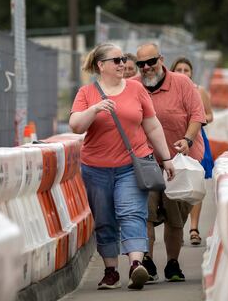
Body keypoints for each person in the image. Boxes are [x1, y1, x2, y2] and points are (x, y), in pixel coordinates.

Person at [69, 43, 175, 291]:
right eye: (116, 60)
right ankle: (110, 272)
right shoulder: (87, 93)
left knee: (132, 213)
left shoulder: (137, 89)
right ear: (101, 65)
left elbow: (152, 126)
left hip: (132, 165)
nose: (122, 64)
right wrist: (95, 109)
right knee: (105, 220)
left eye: (124, 59)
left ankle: (135, 265)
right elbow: (76, 126)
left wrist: (166, 158)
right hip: (96, 168)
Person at [134, 43, 206, 283]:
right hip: (147, 163)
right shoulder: (133, 86)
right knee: (146, 215)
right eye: (141, 64)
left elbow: (198, 115)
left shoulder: (182, 83)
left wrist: (187, 139)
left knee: (175, 220)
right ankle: (147, 262)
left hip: (180, 163)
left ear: (161, 60)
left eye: (151, 62)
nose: (146, 68)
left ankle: (173, 264)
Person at [171, 57, 214, 246]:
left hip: (196, 140)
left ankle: (194, 228)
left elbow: (210, 114)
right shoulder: (168, 92)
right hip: (172, 140)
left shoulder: (199, 91)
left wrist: (198, 118)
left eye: (186, 70)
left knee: (196, 183)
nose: (182, 73)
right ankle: (176, 229)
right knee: (176, 184)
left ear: (191, 73)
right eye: (178, 69)